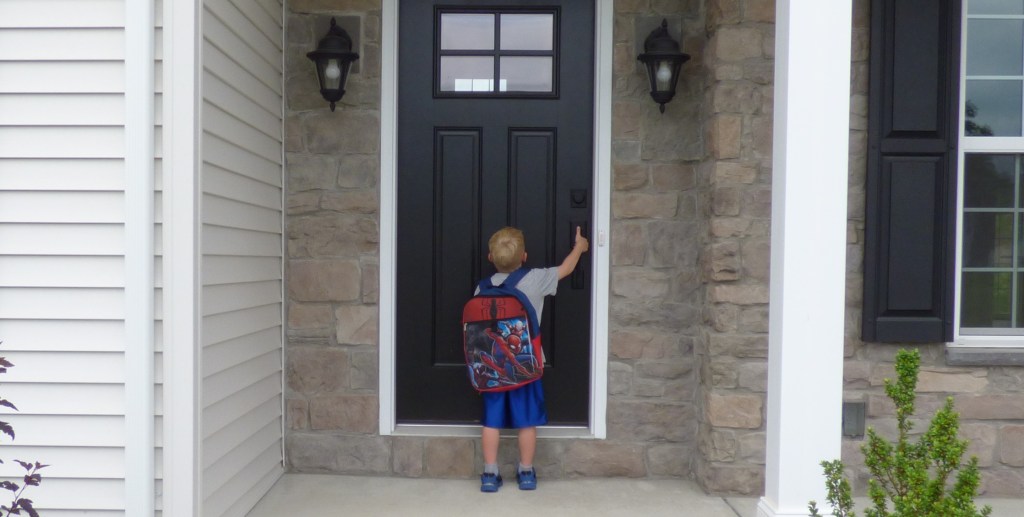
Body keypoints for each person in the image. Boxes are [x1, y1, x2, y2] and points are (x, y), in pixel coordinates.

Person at [478, 225, 589, 492]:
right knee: (526, 420)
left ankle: (490, 474)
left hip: (493, 366)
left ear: (490, 258)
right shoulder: (537, 279)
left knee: (491, 420)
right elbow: (566, 269)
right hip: (526, 365)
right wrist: (580, 246)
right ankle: (526, 472)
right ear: (525, 257)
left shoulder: (481, 288)